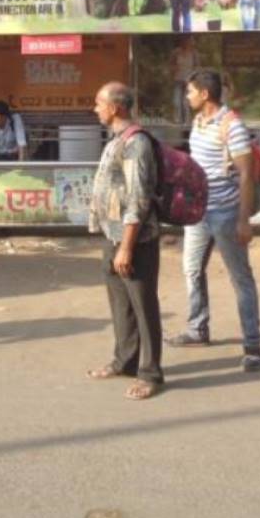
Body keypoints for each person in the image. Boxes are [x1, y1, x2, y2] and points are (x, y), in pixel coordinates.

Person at [167, 70, 260, 371]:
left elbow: (247, 174)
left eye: (191, 92)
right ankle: (198, 329)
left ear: (205, 94)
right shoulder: (198, 122)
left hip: (226, 213)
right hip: (198, 213)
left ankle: (252, 345)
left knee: (240, 279)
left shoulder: (231, 126)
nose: (187, 96)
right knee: (192, 270)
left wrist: (243, 221)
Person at [85, 82, 164, 400]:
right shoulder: (116, 141)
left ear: (115, 107)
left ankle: (150, 373)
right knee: (121, 304)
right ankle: (125, 360)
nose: (95, 108)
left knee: (143, 306)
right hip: (113, 236)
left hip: (135, 240)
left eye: (98, 103)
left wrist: (128, 247)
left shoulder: (136, 144)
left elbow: (139, 199)